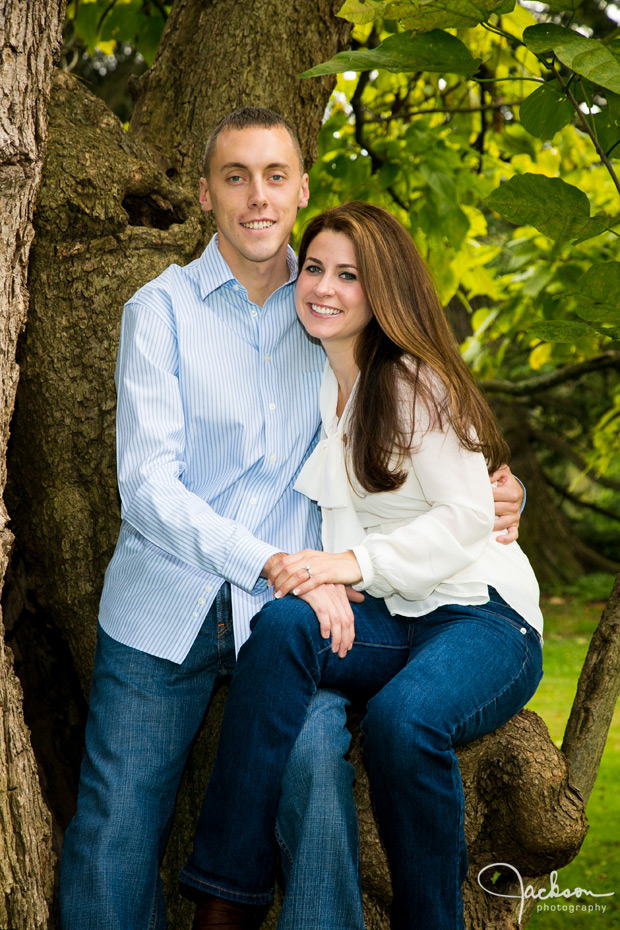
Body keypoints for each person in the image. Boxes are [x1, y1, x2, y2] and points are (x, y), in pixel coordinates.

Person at [57, 108, 524, 930]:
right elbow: (149, 487)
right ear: (206, 194)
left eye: (276, 177)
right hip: (171, 601)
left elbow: (415, 414)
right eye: (235, 177)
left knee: (312, 774)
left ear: (301, 190)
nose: (257, 197)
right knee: (117, 824)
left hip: (292, 614)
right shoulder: (159, 312)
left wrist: (494, 481)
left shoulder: (325, 313)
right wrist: (271, 559)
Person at [178, 202, 544, 930]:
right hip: (392, 615)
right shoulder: (318, 381)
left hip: (481, 614)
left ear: (384, 291)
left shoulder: (415, 380)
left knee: (404, 721)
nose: (324, 287)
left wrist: (348, 564)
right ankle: (227, 896)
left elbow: (470, 514)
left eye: (350, 275)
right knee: (282, 627)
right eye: (314, 268)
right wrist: (330, 584)